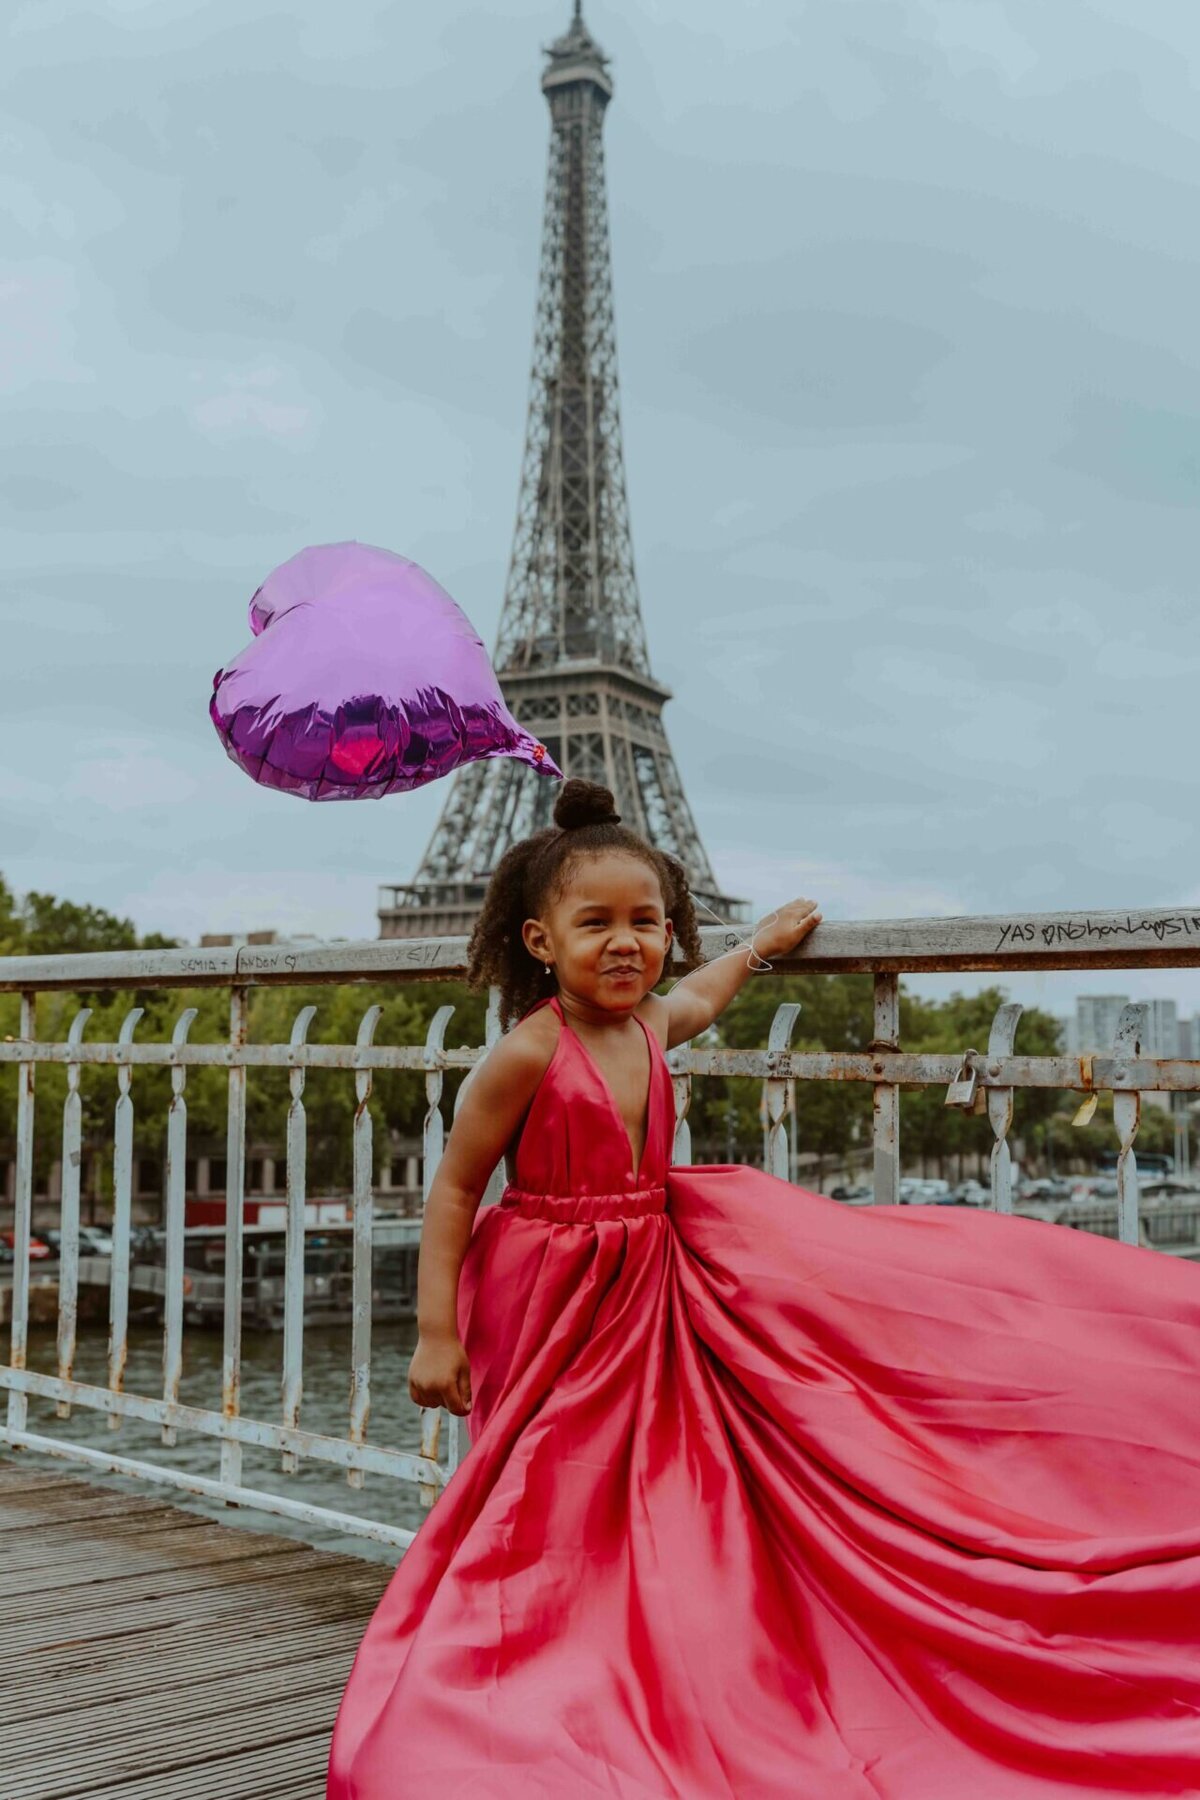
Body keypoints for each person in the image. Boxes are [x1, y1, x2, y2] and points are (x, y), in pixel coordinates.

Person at [328, 780, 1200, 1798]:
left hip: (644, 1277)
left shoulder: (651, 1021)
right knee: (545, 1471)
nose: (626, 943)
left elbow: (701, 995)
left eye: (647, 923)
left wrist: (765, 946)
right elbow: (456, 1191)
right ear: (537, 939)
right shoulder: (524, 1053)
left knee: (644, 1468)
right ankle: (538, 1635)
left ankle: (636, 1626)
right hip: (544, 1285)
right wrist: (437, 1335)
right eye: (595, 922)